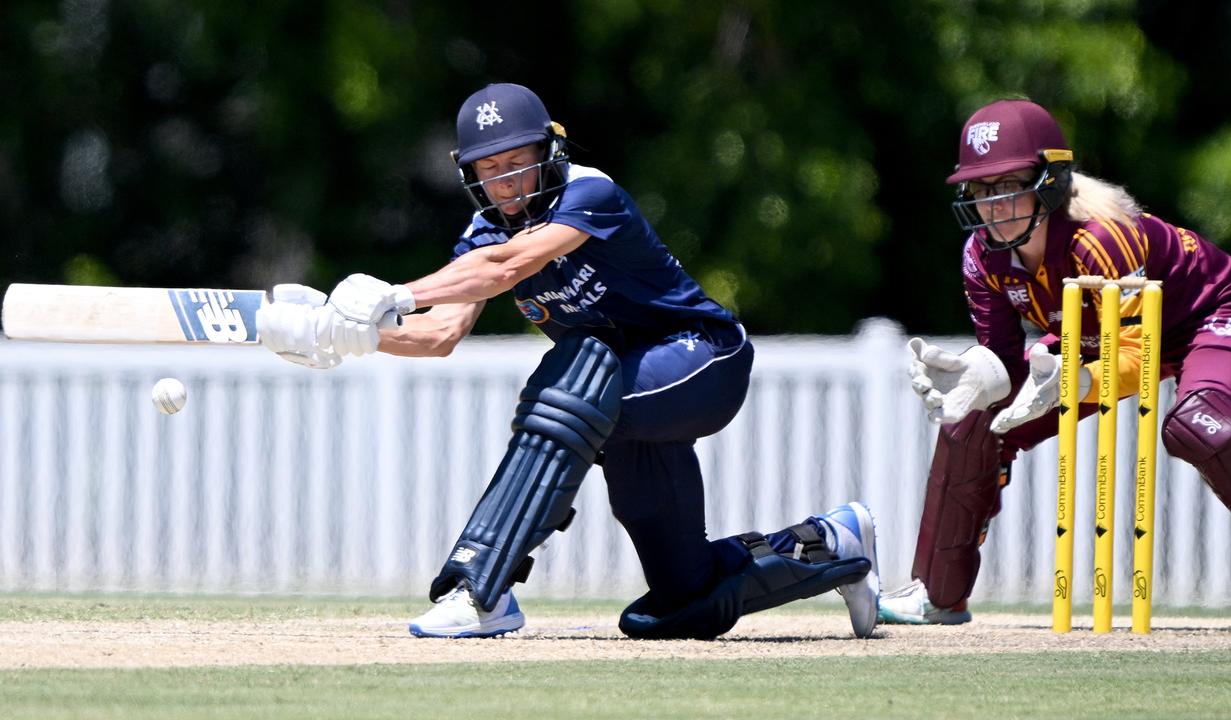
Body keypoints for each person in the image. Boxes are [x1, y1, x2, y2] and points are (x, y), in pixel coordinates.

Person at [256, 83, 881, 639]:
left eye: (516, 163)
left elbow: (506, 268)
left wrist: (396, 295)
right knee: (681, 600)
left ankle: (482, 589)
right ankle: (832, 543)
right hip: (622, 391)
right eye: (488, 169)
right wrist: (344, 336)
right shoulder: (484, 231)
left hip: (701, 361)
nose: (504, 182)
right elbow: (441, 332)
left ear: (546, 154)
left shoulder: (589, 192)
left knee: (573, 382)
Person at [883, 98, 1231, 626]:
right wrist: (976, 375)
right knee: (973, 423)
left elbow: (1138, 348)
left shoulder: (1101, 239)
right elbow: (1002, 359)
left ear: (1050, 181)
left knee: (1200, 424)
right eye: (981, 191)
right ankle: (937, 594)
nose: (994, 206)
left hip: (1213, 312)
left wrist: (1076, 378)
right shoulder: (982, 258)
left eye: (1008, 186)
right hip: (1099, 338)